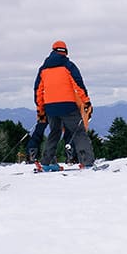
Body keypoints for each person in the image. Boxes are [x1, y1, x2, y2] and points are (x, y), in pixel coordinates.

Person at [33, 40, 94, 170]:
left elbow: (38, 90)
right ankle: (87, 162)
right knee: (79, 133)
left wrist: (40, 110)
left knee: (54, 133)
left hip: (50, 107)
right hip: (68, 106)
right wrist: (86, 101)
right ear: (65, 51)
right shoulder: (68, 65)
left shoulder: (43, 69)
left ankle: (47, 162)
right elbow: (78, 85)